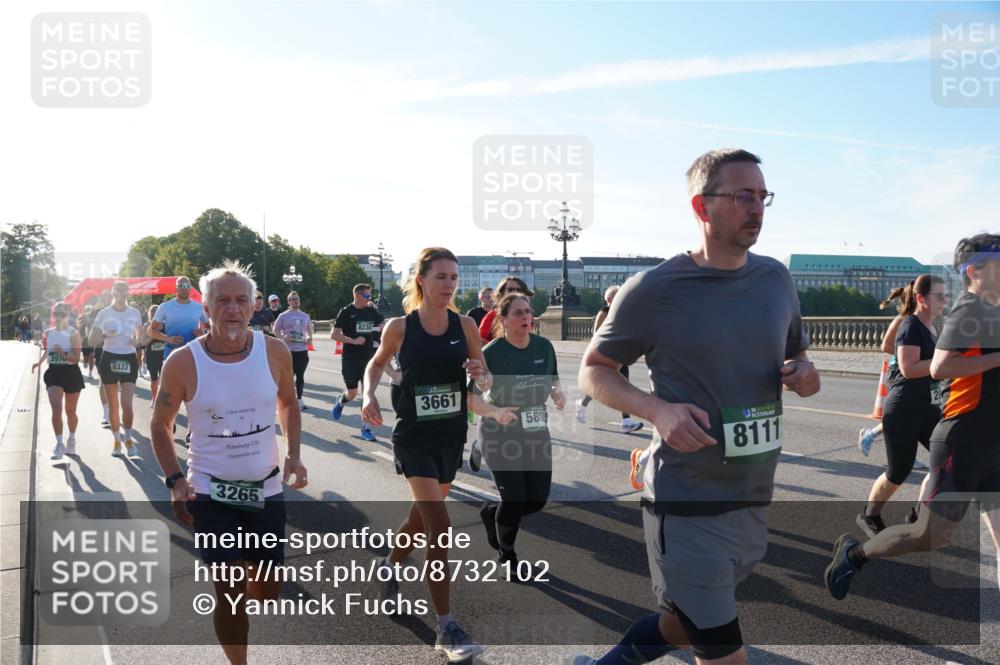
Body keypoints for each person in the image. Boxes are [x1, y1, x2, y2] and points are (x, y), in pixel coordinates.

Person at [571, 149, 819, 665]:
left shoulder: (776, 280)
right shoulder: (656, 289)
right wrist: (658, 410)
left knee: (681, 626)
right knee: (722, 650)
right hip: (686, 502)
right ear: (702, 207)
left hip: (751, 494)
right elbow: (593, 370)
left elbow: (799, 355)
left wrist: (805, 372)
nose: (757, 208)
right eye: (742, 196)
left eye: (762, 196)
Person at [826, 233, 1000, 600]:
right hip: (963, 442)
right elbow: (939, 366)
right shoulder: (969, 310)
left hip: (993, 443)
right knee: (927, 536)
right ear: (976, 270)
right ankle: (854, 556)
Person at [150, 260, 307, 665]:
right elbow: (160, 423)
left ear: (254, 307)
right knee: (230, 592)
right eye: (222, 300)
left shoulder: (274, 351)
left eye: (241, 300)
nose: (232, 309)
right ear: (208, 307)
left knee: (268, 590)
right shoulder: (183, 362)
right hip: (210, 491)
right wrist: (175, 480)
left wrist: (293, 455)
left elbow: (288, 402)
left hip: (265, 489)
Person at [362, 247, 488, 662]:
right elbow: (375, 364)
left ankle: (388, 564)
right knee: (440, 525)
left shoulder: (466, 324)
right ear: (422, 280)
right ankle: (446, 626)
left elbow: (484, 377)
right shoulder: (401, 326)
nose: (449, 284)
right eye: (441, 277)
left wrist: (479, 376)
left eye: (453, 278)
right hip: (413, 436)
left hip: (451, 435)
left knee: (419, 520)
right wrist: (368, 396)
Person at [469, 292, 565, 569]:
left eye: (528, 312)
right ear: (504, 320)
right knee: (513, 500)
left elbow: (554, 378)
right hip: (500, 431)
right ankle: (507, 557)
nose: (527, 317)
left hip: (535, 430)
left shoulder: (544, 347)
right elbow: (472, 395)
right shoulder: (492, 352)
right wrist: (496, 411)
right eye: (519, 313)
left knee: (536, 501)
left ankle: (491, 514)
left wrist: (558, 393)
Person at [855, 275, 948, 537]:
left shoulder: (933, 327)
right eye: (940, 296)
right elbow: (908, 369)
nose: (945, 300)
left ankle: (918, 515)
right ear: (922, 298)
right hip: (904, 407)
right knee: (899, 471)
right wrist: (942, 366)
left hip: (929, 406)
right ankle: (869, 515)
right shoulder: (910, 325)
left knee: (944, 462)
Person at [576, 285, 644, 434]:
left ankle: (626, 421)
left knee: (623, 385)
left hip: (622, 354)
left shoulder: (625, 313)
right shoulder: (604, 312)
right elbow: (596, 334)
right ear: (609, 299)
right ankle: (583, 403)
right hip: (607, 355)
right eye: (618, 296)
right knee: (601, 385)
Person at [89, 280, 144, 458]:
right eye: (118, 289)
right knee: (113, 406)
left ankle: (128, 439)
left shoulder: (135, 313)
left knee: (127, 405)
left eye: (124, 290)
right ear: (113, 292)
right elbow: (91, 341)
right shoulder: (104, 314)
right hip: (110, 357)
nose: (121, 292)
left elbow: (140, 335)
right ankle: (116, 441)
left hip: (128, 358)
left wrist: (137, 341)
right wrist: (106, 334)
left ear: (128, 293)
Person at [857, 292, 909, 457]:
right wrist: (908, 353)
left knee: (912, 416)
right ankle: (870, 435)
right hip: (900, 372)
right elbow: (886, 345)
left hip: (918, 373)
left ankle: (907, 454)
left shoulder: (926, 320)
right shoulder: (902, 319)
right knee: (902, 415)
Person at [331, 283, 385, 441]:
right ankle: (341, 402)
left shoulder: (370, 311)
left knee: (368, 394)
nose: (369, 299)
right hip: (350, 358)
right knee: (353, 394)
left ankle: (365, 428)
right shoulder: (346, 312)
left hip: (368, 359)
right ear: (357, 295)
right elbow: (334, 334)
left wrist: (382, 327)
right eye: (367, 296)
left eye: (370, 296)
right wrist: (353, 341)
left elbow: (381, 322)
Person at [31, 302, 85, 460]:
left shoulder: (73, 333)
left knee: (70, 412)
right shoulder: (48, 332)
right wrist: (39, 362)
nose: (59, 317)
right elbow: (48, 351)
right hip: (54, 372)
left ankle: (72, 439)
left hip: (71, 373)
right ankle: (59, 443)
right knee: (56, 408)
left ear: (68, 315)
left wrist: (63, 354)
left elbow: (76, 359)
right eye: (57, 314)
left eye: (63, 313)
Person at [272, 291, 313, 411]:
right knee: (288, 377)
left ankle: (299, 399)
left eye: (297, 299)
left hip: (302, 350)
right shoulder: (283, 316)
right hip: (288, 351)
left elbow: (309, 330)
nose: (296, 301)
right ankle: (286, 400)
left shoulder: (305, 316)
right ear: (289, 302)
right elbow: (275, 330)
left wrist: (309, 338)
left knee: (300, 376)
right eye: (293, 299)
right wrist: (284, 338)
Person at [150, 276, 209, 358]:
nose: (184, 288)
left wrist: (202, 335)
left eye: (187, 286)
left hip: (193, 351)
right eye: (181, 285)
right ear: (176, 288)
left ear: (190, 288)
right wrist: (168, 339)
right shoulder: (165, 306)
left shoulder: (198, 307)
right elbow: (150, 331)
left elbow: (210, 328)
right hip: (172, 352)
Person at [478, 276, 531, 344]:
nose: (514, 293)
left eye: (518, 290)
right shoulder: (492, 315)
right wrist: (498, 349)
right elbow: (479, 340)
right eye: (510, 290)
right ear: (501, 293)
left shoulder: (528, 315)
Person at [140, 305, 165, 406]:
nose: (155, 313)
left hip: (163, 356)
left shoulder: (165, 325)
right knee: (154, 379)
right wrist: (151, 337)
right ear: (150, 313)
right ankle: (154, 399)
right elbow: (142, 342)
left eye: (157, 311)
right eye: (153, 311)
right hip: (151, 356)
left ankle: (163, 400)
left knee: (164, 380)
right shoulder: (147, 326)